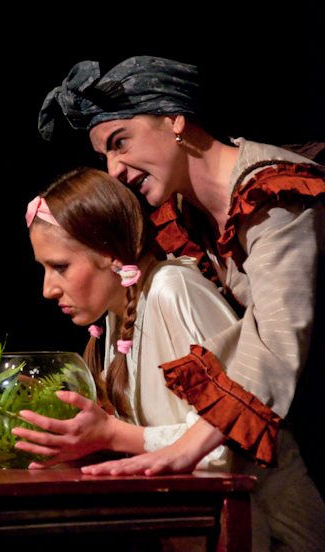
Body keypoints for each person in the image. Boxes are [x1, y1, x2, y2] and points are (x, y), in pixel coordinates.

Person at [37, 56, 325, 501]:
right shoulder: (185, 216)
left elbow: (274, 338)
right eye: (105, 155)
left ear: (175, 120)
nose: (114, 170)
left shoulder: (274, 195)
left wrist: (187, 445)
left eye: (120, 142)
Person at [12, 166, 323, 552]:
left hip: (272, 535)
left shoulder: (172, 290)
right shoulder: (117, 314)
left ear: (109, 253)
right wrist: (38, 440)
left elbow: (234, 441)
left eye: (59, 266)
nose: (47, 289)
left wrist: (113, 434)